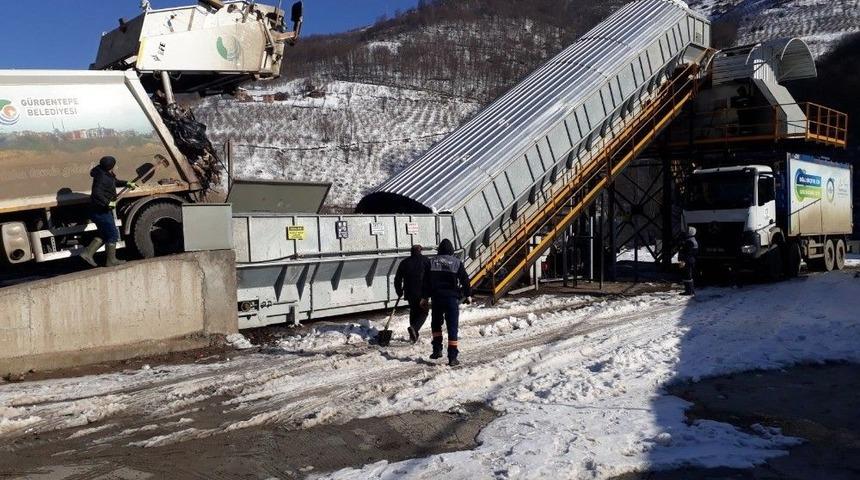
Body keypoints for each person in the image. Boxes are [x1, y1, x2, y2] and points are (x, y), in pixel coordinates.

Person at [79, 156, 137, 268]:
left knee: (105, 234)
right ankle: (111, 260)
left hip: (100, 210)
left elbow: (113, 182)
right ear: (111, 166)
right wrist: (107, 203)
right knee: (113, 235)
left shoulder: (103, 172)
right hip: (101, 211)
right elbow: (96, 193)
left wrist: (127, 183)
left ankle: (87, 254)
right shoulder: (102, 177)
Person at [423, 238, 471, 366]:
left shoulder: (431, 262)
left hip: (437, 298)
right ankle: (452, 357)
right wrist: (467, 294)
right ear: (451, 250)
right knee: (452, 328)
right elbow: (465, 280)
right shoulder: (456, 262)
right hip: (451, 299)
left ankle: (437, 350)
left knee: (436, 325)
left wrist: (424, 297)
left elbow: (425, 282)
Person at [394, 244, 431, 343]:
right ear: (420, 251)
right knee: (424, 312)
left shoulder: (404, 262)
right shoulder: (426, 261)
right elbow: (431, 277)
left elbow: (397, 278)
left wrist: (399, 290)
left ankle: (414, 335)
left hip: (409, 292)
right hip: (422, 293)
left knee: (414, 311)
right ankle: (414, 328)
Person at [680, 226, 699, 296]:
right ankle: (691, 290)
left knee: (687, 276)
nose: (685, 232)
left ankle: (688, 291)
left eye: (687, 231)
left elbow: (686, 252)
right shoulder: (692, 240)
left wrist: (683, 261)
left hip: (687, 260)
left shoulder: (689, 241)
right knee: (689, 276)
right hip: (690, 260)